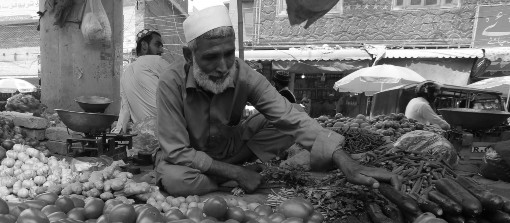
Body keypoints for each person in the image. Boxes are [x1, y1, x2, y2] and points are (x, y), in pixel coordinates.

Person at [154, 5, 400, 196]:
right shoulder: (170, 83)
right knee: (176, 181)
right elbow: (176, 150)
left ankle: (227, 174)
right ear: (189, 55)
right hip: (189, 160)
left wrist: (344, 160)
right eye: (211, 58)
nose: (222, 67)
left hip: (229, 149)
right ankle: (231, 175)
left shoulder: (244, 75)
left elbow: (288, 116)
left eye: (229, 54)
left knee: (287, 116)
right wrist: (235, 172)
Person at [113, 29, 170, 133]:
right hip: (168, 133)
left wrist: (117, 132)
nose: (161, 50)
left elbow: (125, 111)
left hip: (144, 138)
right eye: (157, 45)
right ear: (144, 45)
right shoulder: (155, 61)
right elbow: (181, 81)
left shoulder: (125, 74)